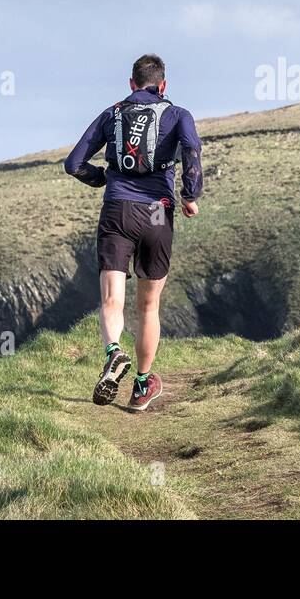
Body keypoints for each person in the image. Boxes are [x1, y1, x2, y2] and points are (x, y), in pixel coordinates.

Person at [64, 54, 203, 410]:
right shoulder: (178, 114)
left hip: (117, 209)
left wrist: (102, 178)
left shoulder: (111, 113)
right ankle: (142, 384)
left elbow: (74, 163)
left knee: (112, 299)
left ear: (131, 84)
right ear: (163, 85)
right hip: (157, 211)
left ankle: (113, 352)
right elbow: (191, 150)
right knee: (149, 305)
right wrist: (189, 195)